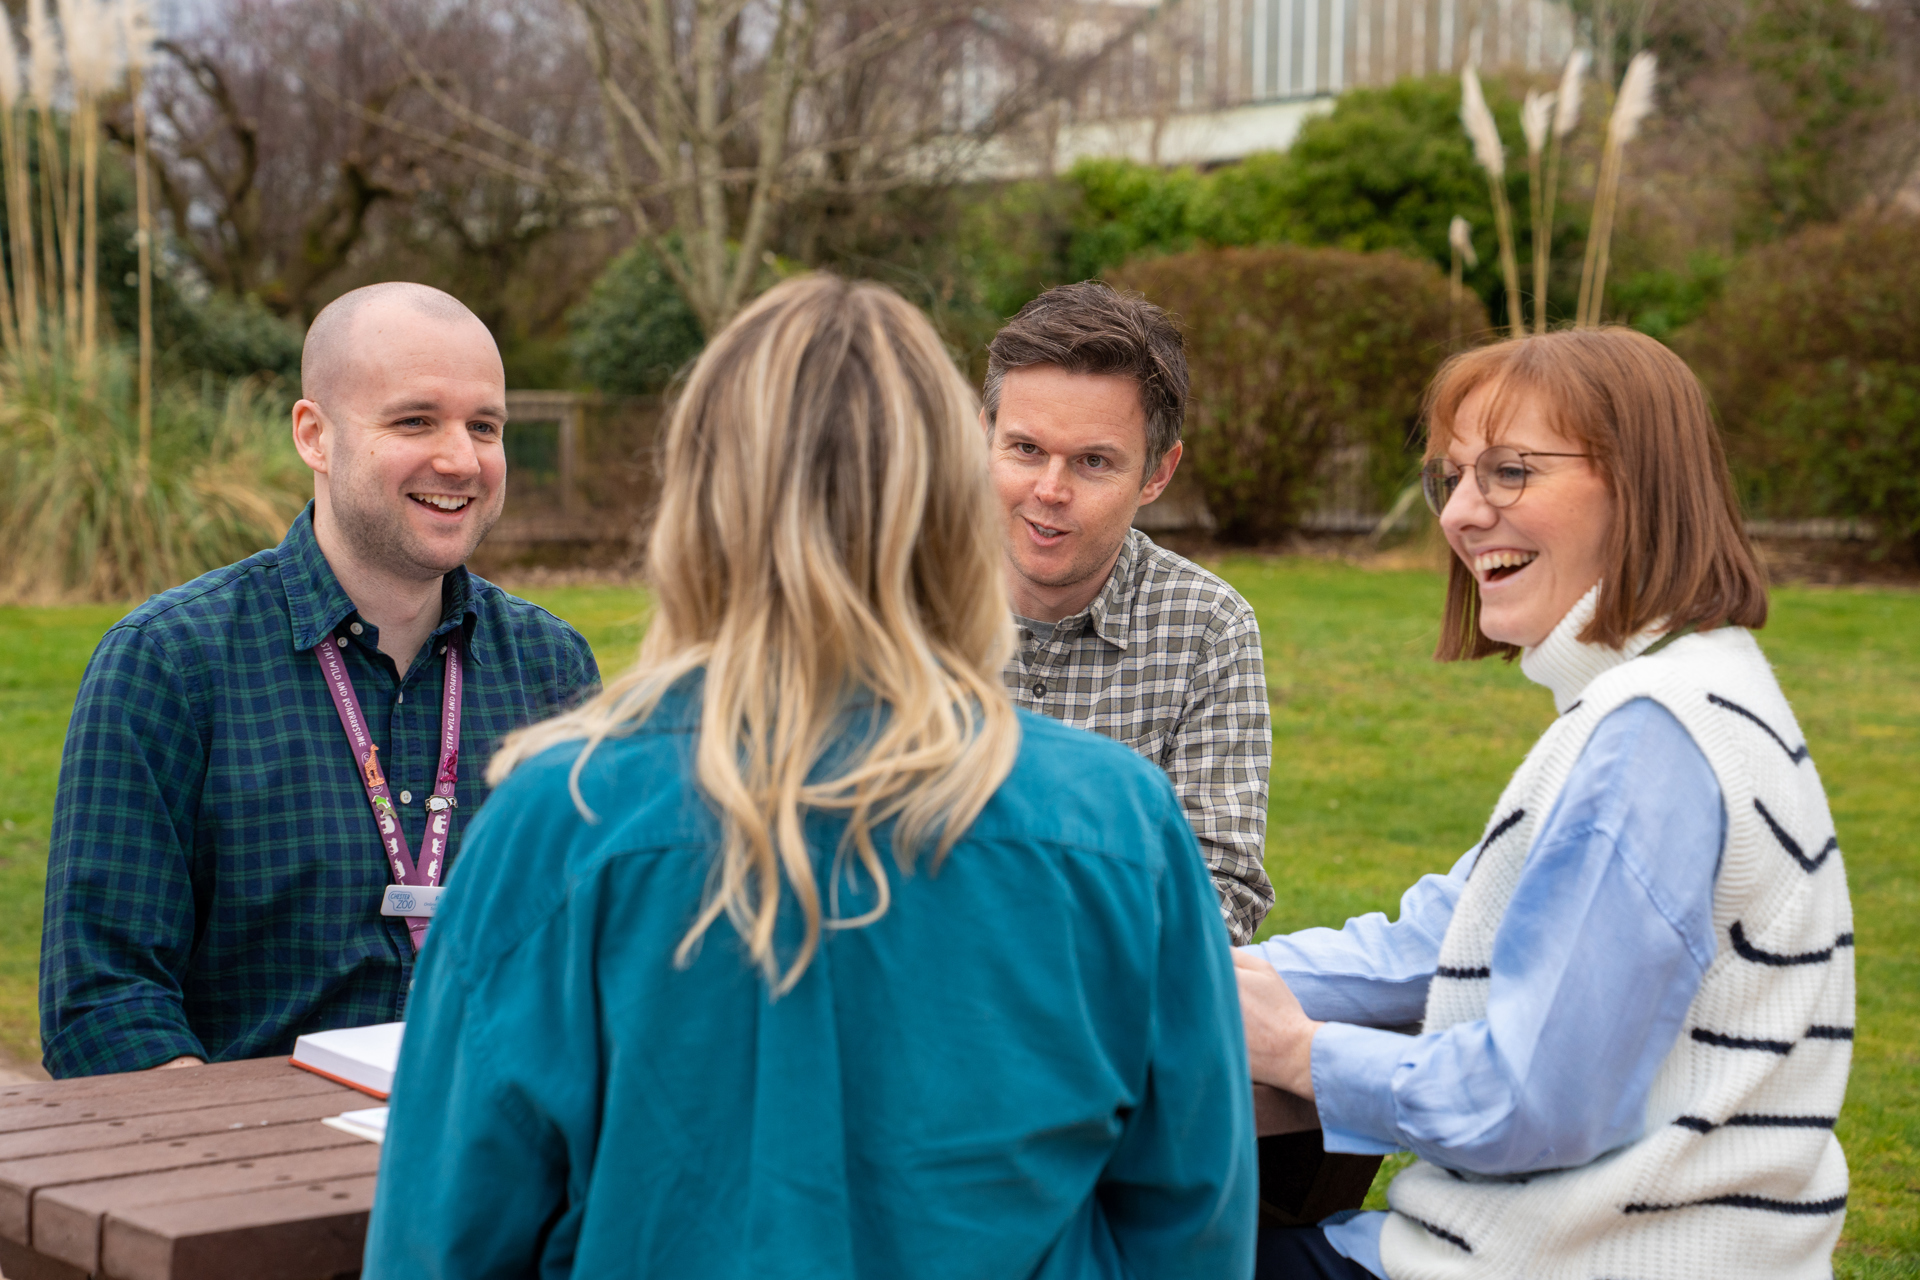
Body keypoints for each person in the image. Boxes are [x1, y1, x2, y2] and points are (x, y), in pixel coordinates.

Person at [362, 275, 1256, 1279]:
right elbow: (1196, 1220)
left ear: (699, 493)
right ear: (955, 487)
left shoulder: (558, 819)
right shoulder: (1116, 822)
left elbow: (441, 1242)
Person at [1233, 327, 1855, 1279]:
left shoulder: (1654, 735)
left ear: (1640, 486)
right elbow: (1429, 947)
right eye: (1455, 478)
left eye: (1511, 472)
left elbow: (1530, 1102)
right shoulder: (1673, 696)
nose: (1461, 515)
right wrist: (1187, 976)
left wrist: (1294, 1049)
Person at [39, 282, 600, 1078]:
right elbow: (105, 1001)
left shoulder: (552, 670)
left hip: (494, 1165)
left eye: (485, 426)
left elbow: (592, 958)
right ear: (315, 435)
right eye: (415, 420)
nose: (461, 459)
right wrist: (242, 1171)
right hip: (252, 1172)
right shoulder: (170, 665)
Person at [984, 281, 1274, 943]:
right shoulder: (894, 599)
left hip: (1107, 1016)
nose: (1049, 491)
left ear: (1157, 473)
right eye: (1026, 449)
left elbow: (1220, 887)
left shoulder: (1209, 628)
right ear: (985, 435)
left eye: (1092, 462)